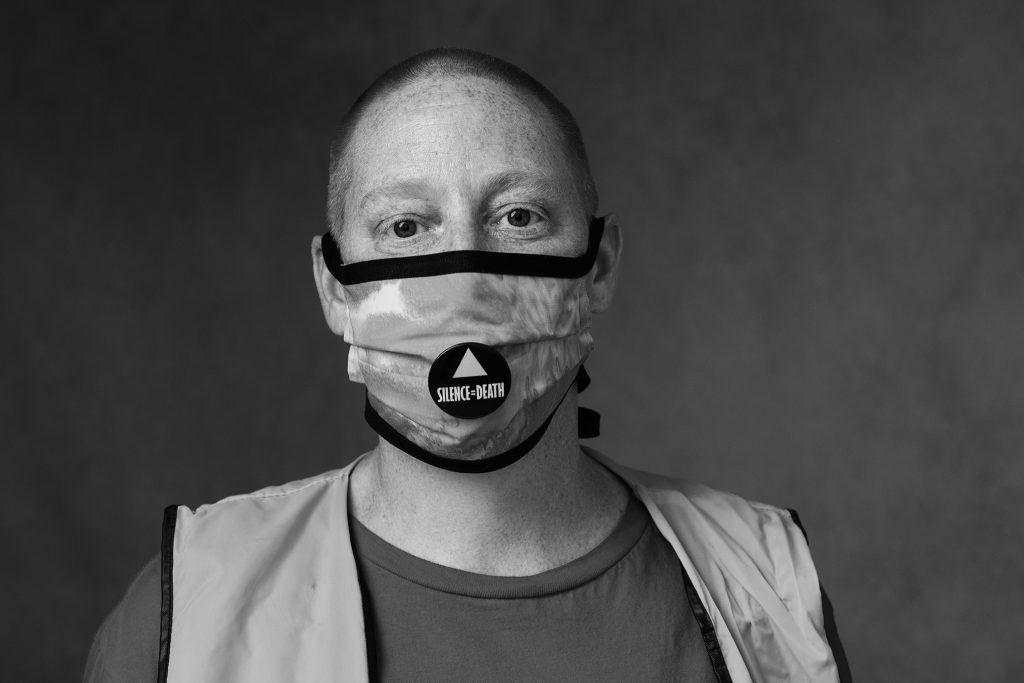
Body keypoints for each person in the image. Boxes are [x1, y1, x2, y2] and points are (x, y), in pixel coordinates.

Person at [84, 48, 851, 682]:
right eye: (406, 225)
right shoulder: (188, 610)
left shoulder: (767, 583)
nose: (465, 279)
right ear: (333, 287)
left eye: (519, 216)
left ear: (599, 267)